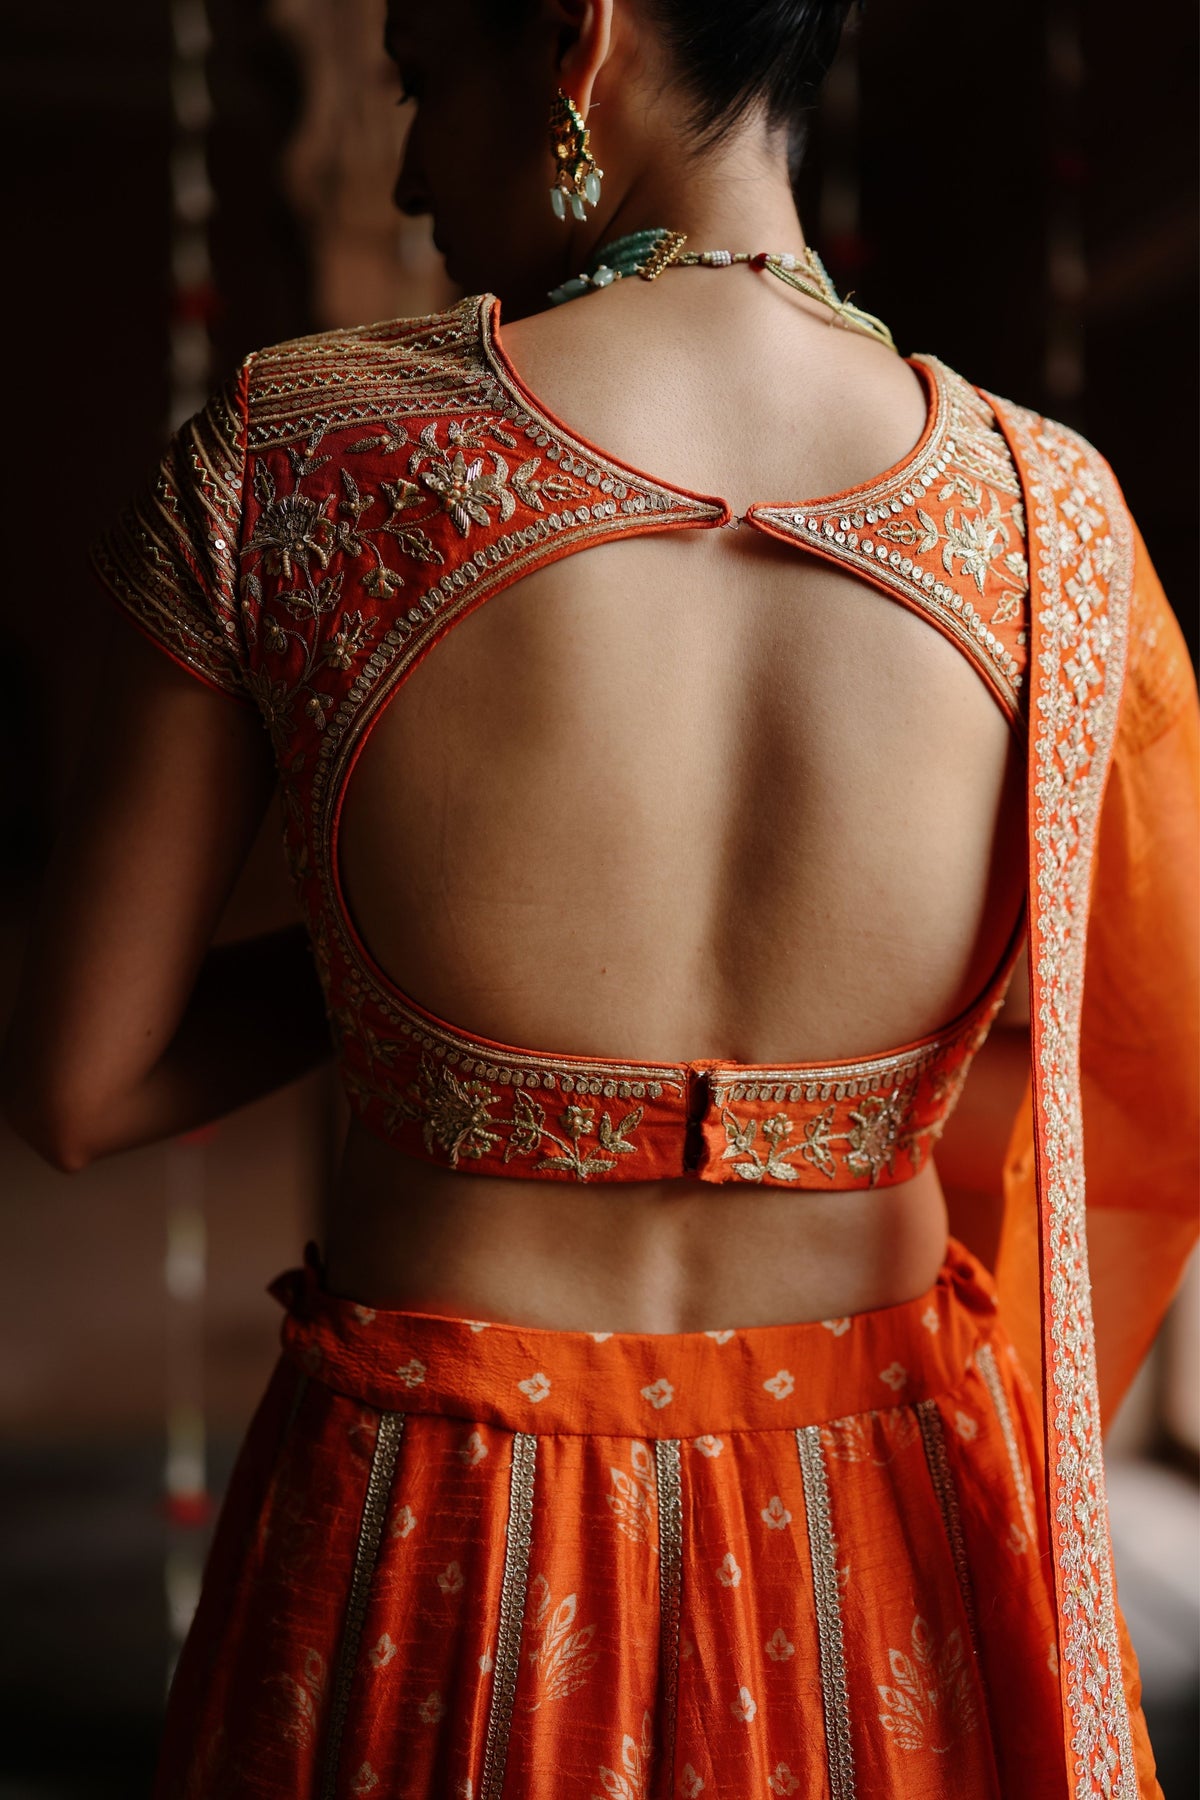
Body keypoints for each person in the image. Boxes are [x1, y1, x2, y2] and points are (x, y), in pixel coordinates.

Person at [1, 1, 1196, 1795]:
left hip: (440, 1534)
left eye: (417, 78)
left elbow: (76, 1088)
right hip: (878, 1535)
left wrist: (412, 995)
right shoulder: (1053, 528)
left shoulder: (288, 458)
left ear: (577, 37)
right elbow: (1148, 1075)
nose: (403, 167)